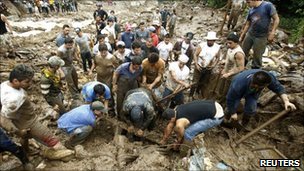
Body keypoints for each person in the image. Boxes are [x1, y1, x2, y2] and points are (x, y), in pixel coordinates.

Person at [0, 64, 72, 156]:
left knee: (25, 137)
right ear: (15, 80)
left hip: (22, 119)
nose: (30, 84)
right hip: (29, 122)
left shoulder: (5, 85)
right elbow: (3, 119)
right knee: (52, 140)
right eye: (27, 82)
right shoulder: (14, 99)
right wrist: (17, 131)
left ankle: (27, 151)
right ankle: (60, 155)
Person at [225, 70, 297, 127]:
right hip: (239, 87)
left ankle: (243, 124)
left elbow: (279, 88)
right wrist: (233, 113)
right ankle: (226, 119)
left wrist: (286, 101)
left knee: (251, 108)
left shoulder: (268, 78)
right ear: (255, 85)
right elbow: (230, 99)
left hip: (254, 92)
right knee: (232, 107)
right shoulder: (238, 84)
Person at [160, 100, 224, 149]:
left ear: (171, 118)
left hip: (217, 117)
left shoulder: (180, 123)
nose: (170, 123)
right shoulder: (177, 108)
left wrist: (177, 143)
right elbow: (170, 125)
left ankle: (185, 150)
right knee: (191, 125)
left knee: (188, 133)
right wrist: (164, 139)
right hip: (214, 104)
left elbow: (180, 136)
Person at [240, 0, 280, 69]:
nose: (247, 4)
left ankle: (255, 71)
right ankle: (241, 67)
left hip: (261, 36)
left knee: (257, 56)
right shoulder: (251, 10)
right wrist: (242, 35)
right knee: (243, 51)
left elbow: (276, 19)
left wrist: (272, 32)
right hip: (250, 34)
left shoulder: (267, 6)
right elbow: (247, 24)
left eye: (248, 2)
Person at [190, 31, 221, 99]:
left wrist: (213, 65)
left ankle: (198, 93)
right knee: (195, 82)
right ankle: (191, 95)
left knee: (204, 82)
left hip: (208, 68)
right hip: (199, 66)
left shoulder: (217, 47)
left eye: (211, 41)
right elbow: (195, 54)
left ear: (214, 41)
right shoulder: (202, 45)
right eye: (208, 40)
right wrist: (196, 64)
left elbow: (218, 58)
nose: (209, 42)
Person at [217, 32, 245, 103]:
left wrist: (229, 74)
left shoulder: (238, 54)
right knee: (222, 87)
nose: (228, 45)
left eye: (230, 43)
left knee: (228, 89)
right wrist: (224, 64)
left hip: (234, 75)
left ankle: (225, 103)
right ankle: (220, 98)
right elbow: (229, 59)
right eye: (227, 43)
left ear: (236, 43)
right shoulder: (230, 48)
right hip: (227, 71)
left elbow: (241, 68)